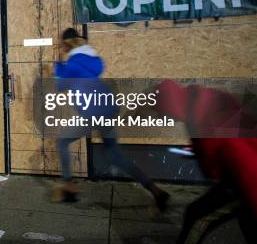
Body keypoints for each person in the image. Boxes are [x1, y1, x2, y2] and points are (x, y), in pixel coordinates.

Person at [53, 27, 170, 210]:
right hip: (108, 108)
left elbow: (60, 86)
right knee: (114, 155)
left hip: (92, 112)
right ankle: (156, 190)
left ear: (67, 44)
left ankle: (69, 185)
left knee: (61, 142)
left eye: (63, 45)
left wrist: (58, 67)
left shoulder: (72, 64)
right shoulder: (93, 59)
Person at [156, 80, 257, 244]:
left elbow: (253, 183)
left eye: (164, 113)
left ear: (171, 106)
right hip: (237, 176)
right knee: (199, 213)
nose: (165, 118)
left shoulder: (214, 124)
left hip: (252, 177)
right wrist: (200, 153)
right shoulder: (195, 106)